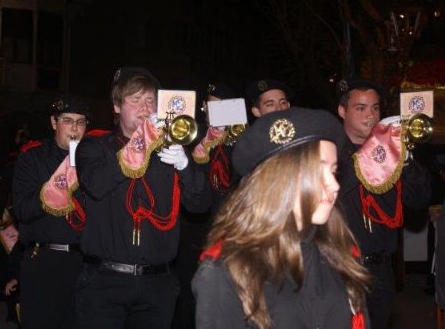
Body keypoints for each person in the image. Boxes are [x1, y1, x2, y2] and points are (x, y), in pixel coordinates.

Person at [193, 107, 371, 329]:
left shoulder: (342, 252)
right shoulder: (228, 270)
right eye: (318, 172)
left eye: (333, 172)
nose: (334, 186)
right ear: (278, 181)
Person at [75, 67, 209, 328]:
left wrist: (185, 166)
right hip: (104, 281)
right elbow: (96, 185)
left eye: (150, 101)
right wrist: (141, 142)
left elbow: (200, 205)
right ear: (116, 107)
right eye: (134, 100)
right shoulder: (94, 147)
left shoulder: (171, 148)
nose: (144, 107)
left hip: (157, 283)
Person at [335, 78, 430, 329]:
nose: (370, 115)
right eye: (361, 108)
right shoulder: (330, 151)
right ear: (342, 111)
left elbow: (419, 201)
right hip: (340, 268)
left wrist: (406, 159)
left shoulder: (392, 151)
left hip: (381, 270)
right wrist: (372, 152)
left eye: (375, 108)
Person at [11, 94, 91, 328]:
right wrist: (51, 190)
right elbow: (22, 210)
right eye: (67, 120)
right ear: (54, 123)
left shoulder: (94, 160)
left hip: (85, 263)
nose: (75, 127)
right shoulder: (32, 158)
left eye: (81, 121)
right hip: (44, 261)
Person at [173, 82, 240, 329]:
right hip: (193, 230)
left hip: (229, 233)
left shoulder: (240, 139)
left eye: (225, 106)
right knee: (188, 300)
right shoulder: (190, 134)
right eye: (213, 104)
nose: (218, 110)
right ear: (203, 107)